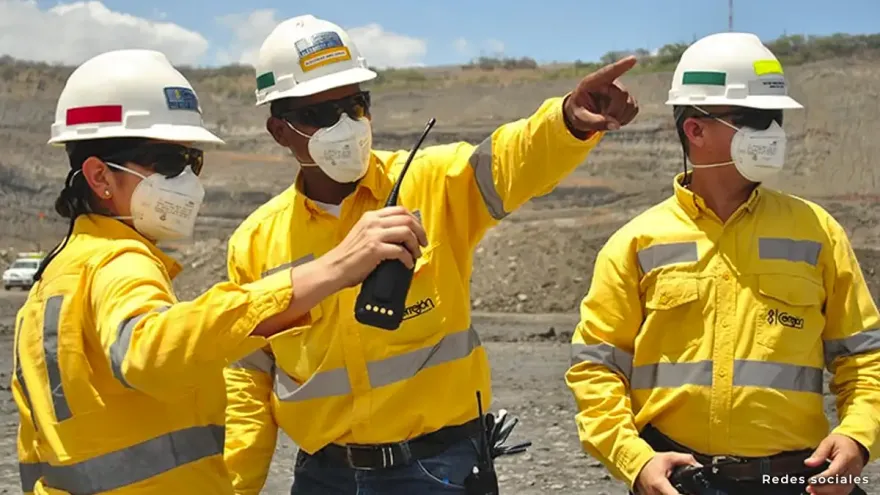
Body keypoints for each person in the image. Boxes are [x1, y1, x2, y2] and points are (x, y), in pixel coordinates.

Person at [221, 13, 639, 495]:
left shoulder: (433, 181)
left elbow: (512, 158)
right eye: (319, 115)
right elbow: (248, 385)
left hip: (439, 469)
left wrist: (566, 120)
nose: (346, 125)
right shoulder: (254, 243)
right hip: (324, 475)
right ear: (279, 130)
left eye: (355, 105)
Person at [10, 49, 426, 495]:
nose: (187, 180)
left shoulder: (56, 279)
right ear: (99, 177)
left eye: (194, 161)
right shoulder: (119, 264)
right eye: (169, 163)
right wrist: (333, 269)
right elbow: (150, 353)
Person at [565, 32, 880, 495]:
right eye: (753, 118)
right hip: (678, 482)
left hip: (794, 479)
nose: (772, 131)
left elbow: (864, 357)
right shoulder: (634, 243)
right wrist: (634, 460)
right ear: (696, 129)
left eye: (774, 118)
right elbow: (596, 368)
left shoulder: (817, 231)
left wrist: (858, 434)